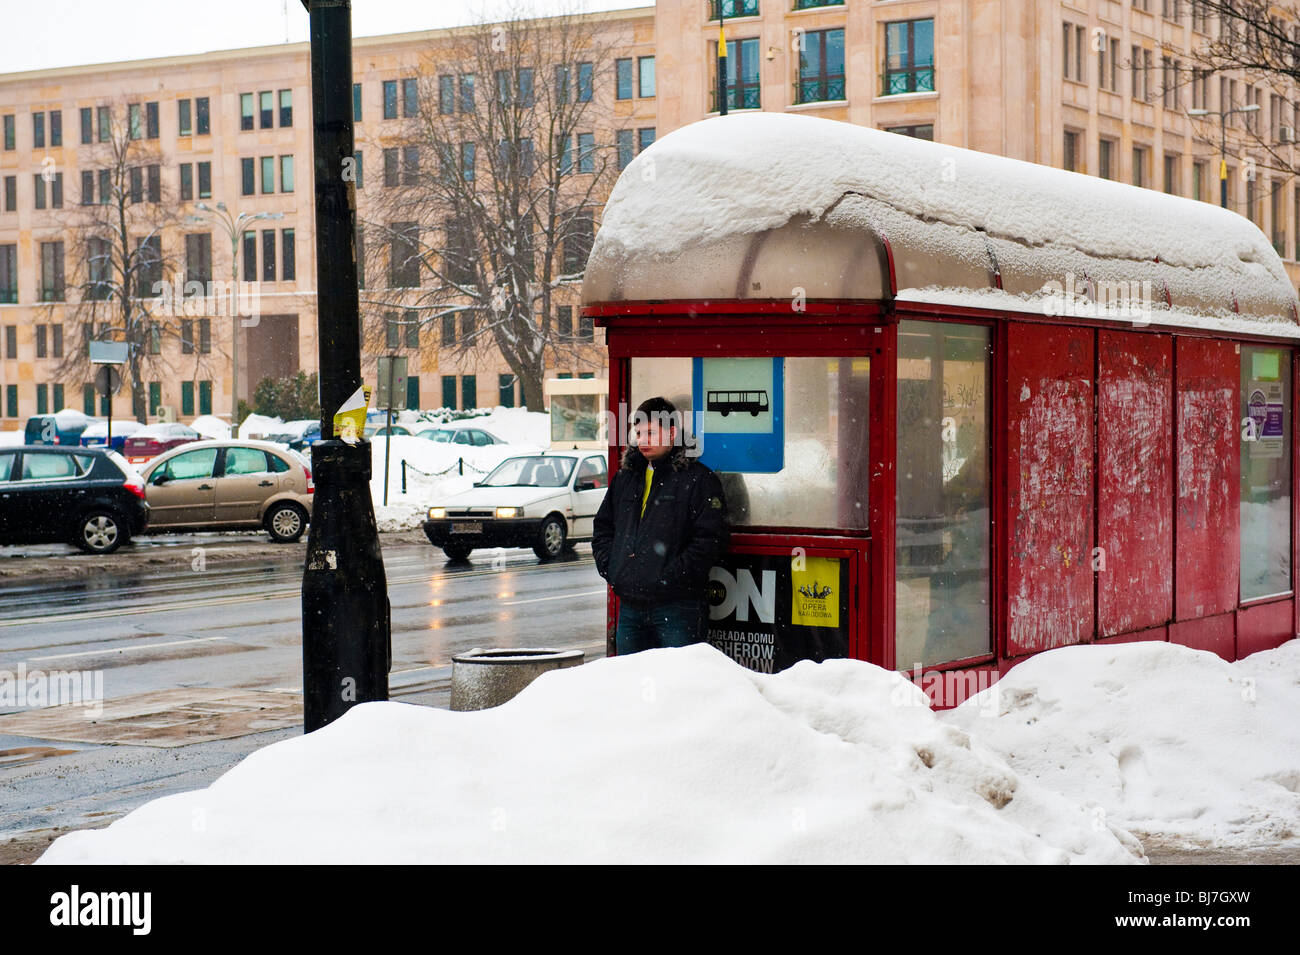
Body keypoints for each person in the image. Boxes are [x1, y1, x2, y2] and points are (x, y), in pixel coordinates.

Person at [592, 396, 729, 654]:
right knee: (630, 681)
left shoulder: (699, 480)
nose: (643, 440)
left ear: (672, 433)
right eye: (639, 432)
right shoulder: (627, 477)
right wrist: (614, 569)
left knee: (680, 683)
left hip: (677, 606)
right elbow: (603, 528)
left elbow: (709, 539)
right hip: (631, 606)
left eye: (652, 433)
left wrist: (670, 578)